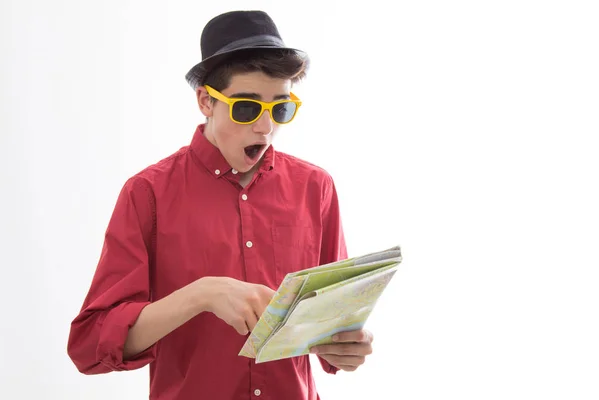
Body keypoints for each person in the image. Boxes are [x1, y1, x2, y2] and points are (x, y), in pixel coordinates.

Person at [67, 10, 375, 400]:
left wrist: (348, 346)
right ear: (205, 101)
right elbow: (89, 344)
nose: (265, 128)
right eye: (246, 107)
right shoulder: (147, 193)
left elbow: (333, 330)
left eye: (280, 108)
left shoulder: (317, 188)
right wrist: (202, 295)